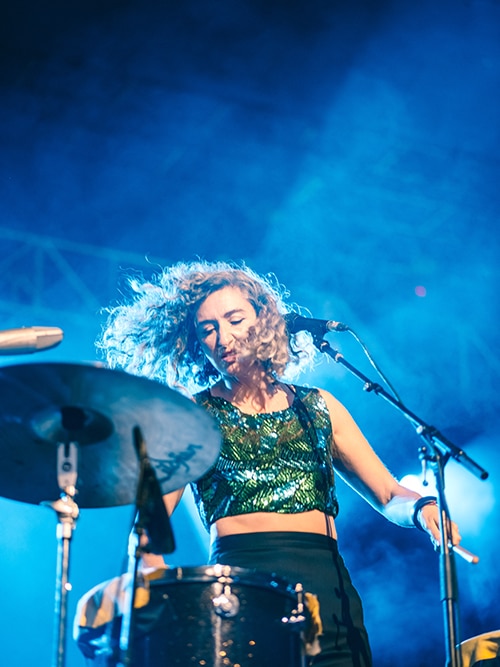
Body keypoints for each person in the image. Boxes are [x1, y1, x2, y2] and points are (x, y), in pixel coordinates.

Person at [95, 259, 460, 667]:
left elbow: (388, 493)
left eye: (234, 319)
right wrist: (155, 578)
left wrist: (422, 507)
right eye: (208, 329)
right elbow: (149, 523)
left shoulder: (318, 407)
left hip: (330, 596)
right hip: (240, 599)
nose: (223, 338)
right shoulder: (193, 417)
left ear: (265, 320)